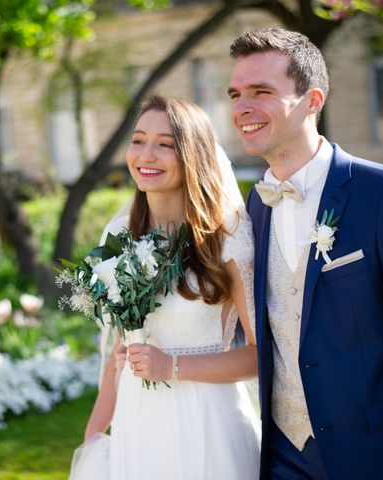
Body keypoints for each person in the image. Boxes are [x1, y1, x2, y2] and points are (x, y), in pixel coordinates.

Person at [227, 27, 383, 480]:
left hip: (375, 459)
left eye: (262, 91)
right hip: (283, 456)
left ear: (312, 101)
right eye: (235, 93)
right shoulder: (256, 205)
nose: (242, 107)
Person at [70, 95, 261, 480]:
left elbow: (261, 357)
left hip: (207, 422)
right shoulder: (119, 234)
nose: (146, 155)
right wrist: (93, 438)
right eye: (138, 140)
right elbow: (122, 350)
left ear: (193, 155)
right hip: (137, 424)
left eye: (166, 144)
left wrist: (171, 365)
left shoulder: (228, 238)